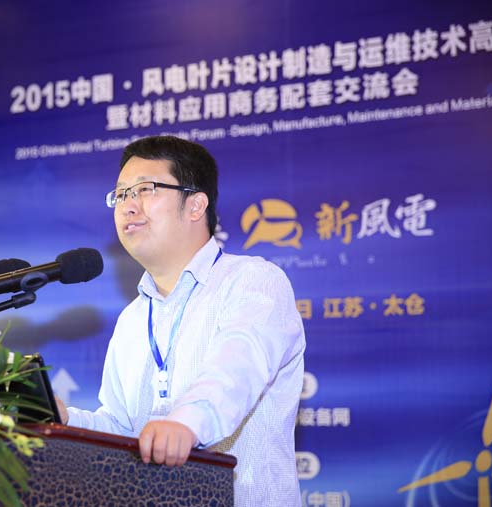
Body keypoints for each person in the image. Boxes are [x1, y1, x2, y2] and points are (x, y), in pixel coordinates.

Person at [56, 135, 306, 506]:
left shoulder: (253, 281)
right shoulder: (132, 319)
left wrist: (186, 423)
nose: (128, 205)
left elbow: (236, 370)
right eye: (121, 194)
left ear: (195, 205)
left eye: (145, 189)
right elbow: (121, 430)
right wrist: (64, 423)